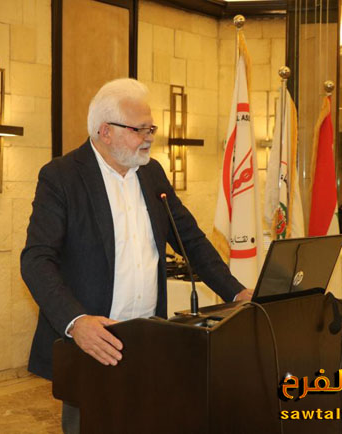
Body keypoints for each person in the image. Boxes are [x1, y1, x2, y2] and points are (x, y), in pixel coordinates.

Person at [20, 78, 251, 434]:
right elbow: (36, 260)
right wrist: (76, 322)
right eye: (139, 129)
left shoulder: (152, 173)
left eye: (151, 128)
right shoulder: (62, 176)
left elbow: (190, 240)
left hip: (149, 337)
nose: (149, 137)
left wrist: (236, 292)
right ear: (105, 131)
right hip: (94, 341)